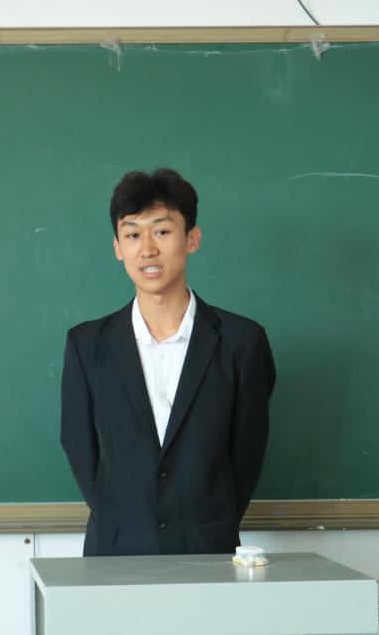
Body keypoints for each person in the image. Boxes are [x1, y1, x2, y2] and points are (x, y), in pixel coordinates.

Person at [60, 168, 276, 556]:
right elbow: (79, 445)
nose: (147, 249)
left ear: (192, 238)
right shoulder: (86, 345)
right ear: (117, 247)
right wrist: (120, 517)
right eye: (132, 235)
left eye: (161, 231)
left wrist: (210, 520)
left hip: (208, 550)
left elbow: (248, 451)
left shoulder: (242, 342)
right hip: (115, 554)